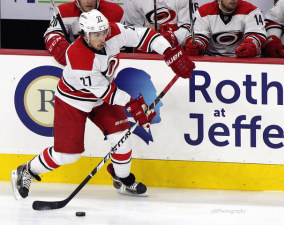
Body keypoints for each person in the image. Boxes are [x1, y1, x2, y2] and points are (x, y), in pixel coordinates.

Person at [11, 10, 195, 199]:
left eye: (104, 32)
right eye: (96, 34)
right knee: (67, 156)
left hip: (103, 98)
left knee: (122, 138)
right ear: (84, 34)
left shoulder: (114, 32)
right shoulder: (77, 56)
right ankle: (26, 171)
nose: (102, 38)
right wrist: (133, 104)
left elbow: (146, 36)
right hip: (73, 101)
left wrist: (169, 52)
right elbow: (107, 93)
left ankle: (122, 180)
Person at [44, 0, 124, 66]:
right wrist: (65, 52)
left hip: (105, 62)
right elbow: (51, 35)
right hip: (76, 62)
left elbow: (122, 46)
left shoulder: (115, 12)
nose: (88, 1)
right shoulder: (63, 11)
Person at [185, 0, 267, 57]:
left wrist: (251, 45)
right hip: (213, 61)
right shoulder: (202, 12)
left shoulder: (251, 11)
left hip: (242, 61)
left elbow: (257, 36)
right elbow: (199, 37)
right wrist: (197, 45)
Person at [123, 0, 191, 48]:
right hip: (146, 51)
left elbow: (189, 27)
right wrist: (147, 34)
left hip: (177, 50)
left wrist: (172, 37)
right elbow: (131, 28)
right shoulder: (133, 1)